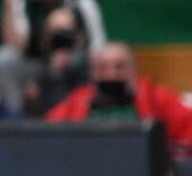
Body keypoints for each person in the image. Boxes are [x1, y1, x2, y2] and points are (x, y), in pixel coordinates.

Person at [46, 42, 192, 154]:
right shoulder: (77, 101)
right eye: (102, 67)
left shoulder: (156, 98)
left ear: (134, 70)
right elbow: (46, 134)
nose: (111, 75)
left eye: (119, 67)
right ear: (92, 73)